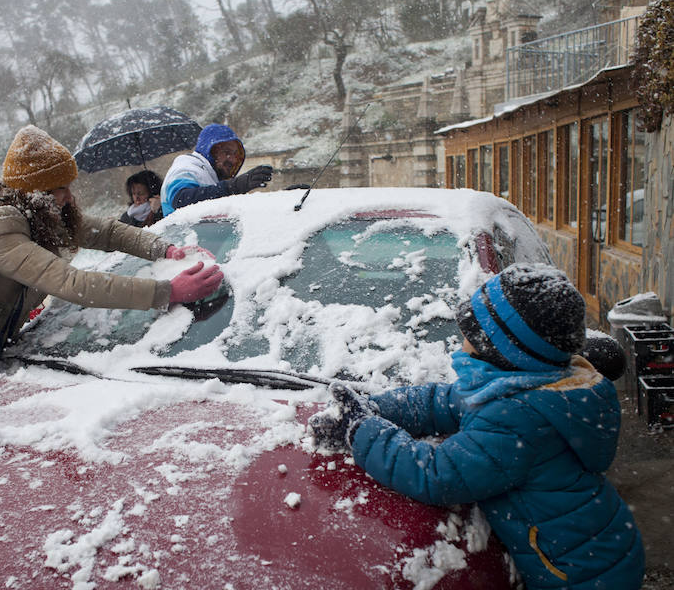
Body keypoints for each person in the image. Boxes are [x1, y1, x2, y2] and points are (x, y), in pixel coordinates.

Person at [309, 263, 644, 590]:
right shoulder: (530, 384)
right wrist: (378, 407)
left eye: (469, 336)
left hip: (576, 573)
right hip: (600, 546)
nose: (462, 343)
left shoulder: (518, 419)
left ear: (501, 350)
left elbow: (438, 475)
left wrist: (361, 430)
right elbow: (445, 400)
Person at [0, 125, 223, 405]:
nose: (69, 197)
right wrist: (167, 291)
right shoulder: (3, 230)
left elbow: (104, 232)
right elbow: (73, 284)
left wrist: (163, 248)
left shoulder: (42, 216)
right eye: (61, 188)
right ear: (38, 191)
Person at [160, 123, 273, 216]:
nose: (233, 160)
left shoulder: (208, 174)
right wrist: (232, 187)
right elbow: (181, 200)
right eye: (227, 152)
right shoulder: (188, 167)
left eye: (235, 155)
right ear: (210, 151)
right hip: (182, 239)